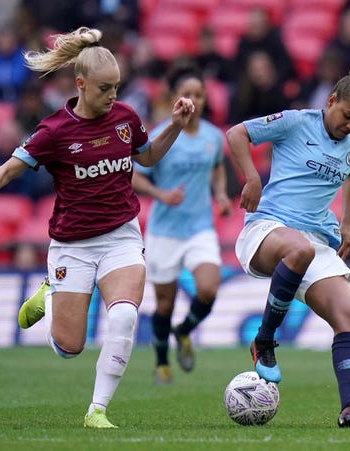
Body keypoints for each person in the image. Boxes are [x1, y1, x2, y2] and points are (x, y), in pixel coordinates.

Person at [0, 27, 195, 429]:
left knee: (124, 318)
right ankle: (49, 294)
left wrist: (173, 125)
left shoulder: (125, 118)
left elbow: (148, 156)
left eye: (116, 87)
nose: (113, 96)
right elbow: (12, 167)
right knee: (69, 347)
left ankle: (96, 411)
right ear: (81, 85)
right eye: (104, 88)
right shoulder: (55, 131)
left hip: (122, 235)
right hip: (73, 246)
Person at [225, 66, 350, 428]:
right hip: (267, 228)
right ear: (331, 100)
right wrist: (252, 177)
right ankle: (264, 340)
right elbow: (237, 133)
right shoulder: (295, 121)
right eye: (347, 116)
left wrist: (347, 219)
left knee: (349, 317)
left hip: (315, 239)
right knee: (298, 250)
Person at [131, 64, 232, 385]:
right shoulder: (161, 134)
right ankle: (162, 362)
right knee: (165, 302)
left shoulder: (214, 137)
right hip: (164, 231)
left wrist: (220, 195)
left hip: (200, 227)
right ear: (174, 97)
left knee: (208, 288)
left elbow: (217, 168)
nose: (193, 100)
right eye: (187, 94)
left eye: (199, 95)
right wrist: (160, 193)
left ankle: (184, 330)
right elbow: (133, 174)